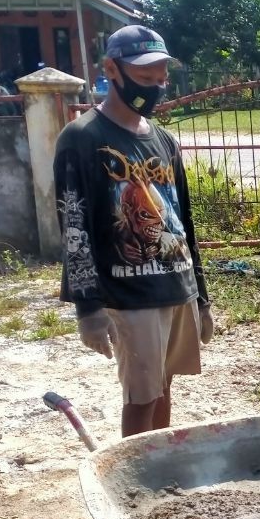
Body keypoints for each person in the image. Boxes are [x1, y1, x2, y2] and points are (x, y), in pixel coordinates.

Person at [53, 24, 213, 437]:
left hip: (176, 286)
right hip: (129, 291)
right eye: (145, 79)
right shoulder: (82, 139)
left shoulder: (164, 141)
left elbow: (183, 219)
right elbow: (75, 226)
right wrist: (88, 309)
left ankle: (160, 470)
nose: (156, 88)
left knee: (163, 389)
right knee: (140, 398)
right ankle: (138, 484)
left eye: (161, 79)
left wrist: (202, 297)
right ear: (111, 69)